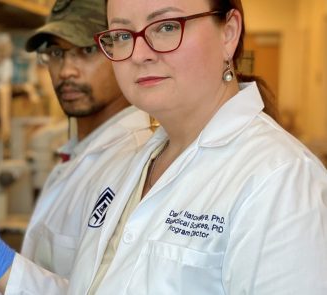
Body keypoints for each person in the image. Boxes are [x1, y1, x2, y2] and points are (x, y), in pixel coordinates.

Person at [60, 0, 327, 293]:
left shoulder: (281, 178)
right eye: (123, 35)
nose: (139, 54)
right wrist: (5, 265)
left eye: (166, 27)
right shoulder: (133, 161)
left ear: (228, 33)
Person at [0, 0, 153, 293]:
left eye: (87, 50)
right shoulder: (78, 155)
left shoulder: (136, 163)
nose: (66, 70)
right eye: (55, 53)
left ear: (121, 50)